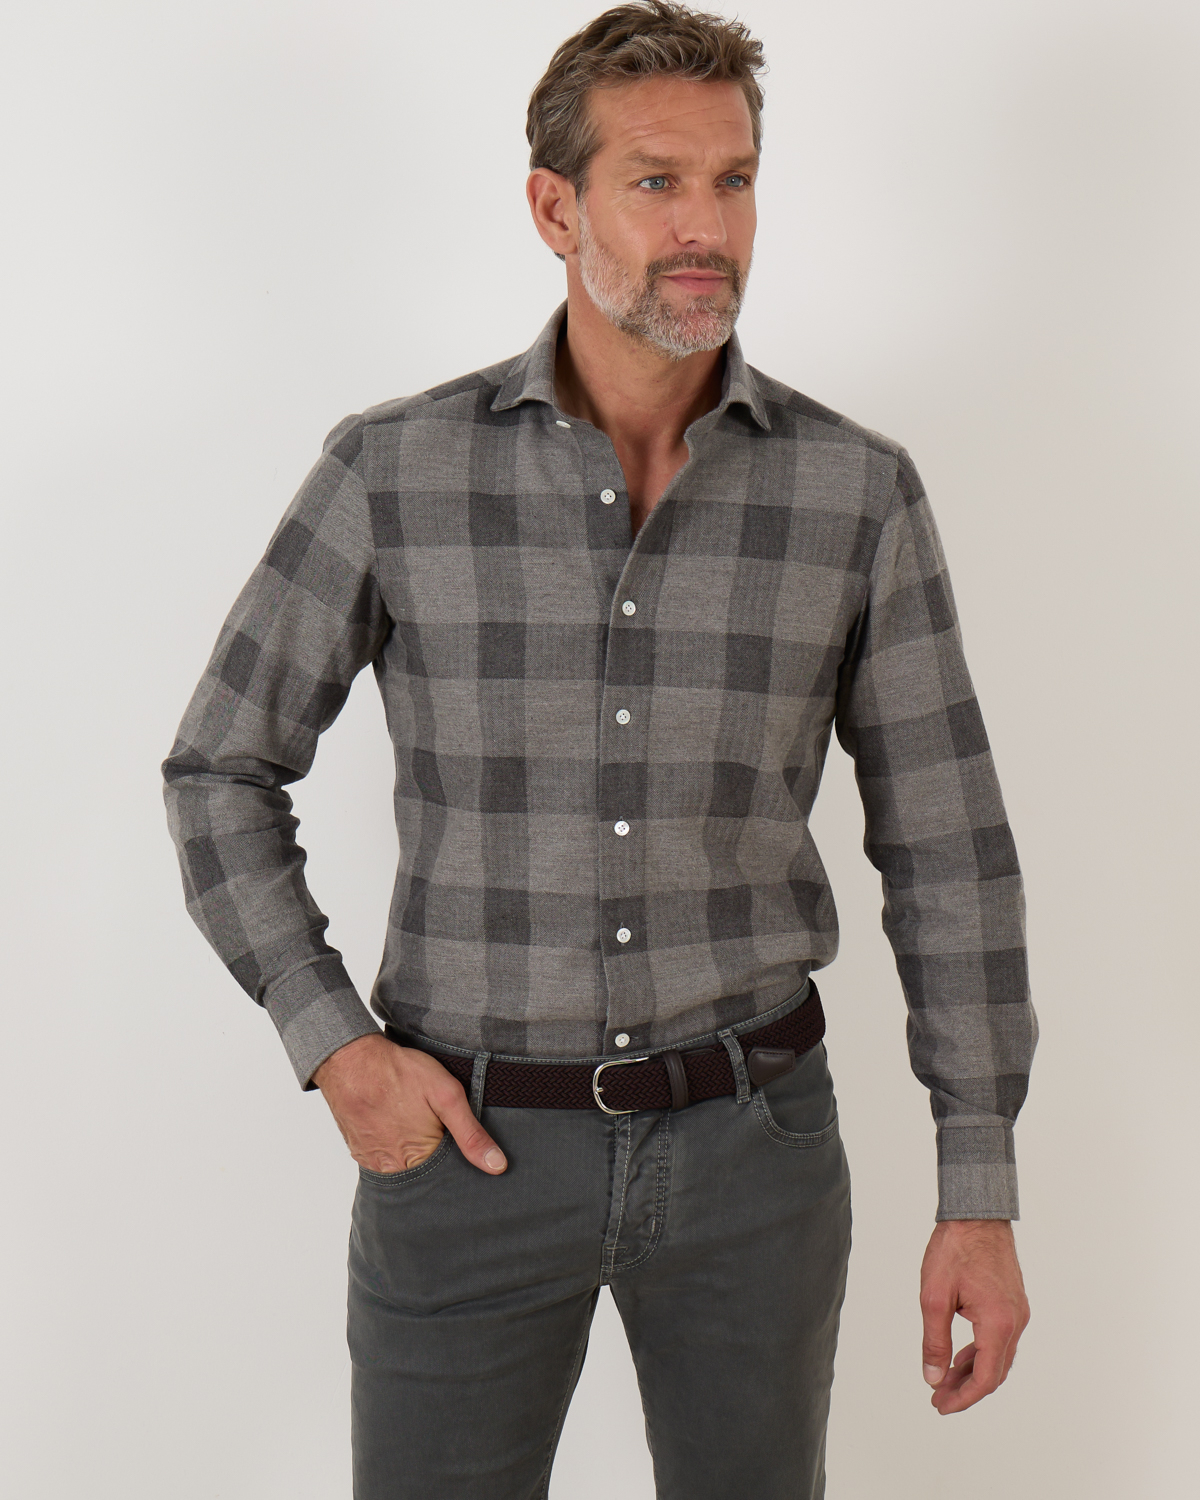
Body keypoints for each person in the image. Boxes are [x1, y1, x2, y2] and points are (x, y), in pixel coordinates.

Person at [163, 4, 1036, 1496]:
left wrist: (980, 1187)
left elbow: (948, 851)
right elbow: (219, 771)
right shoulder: (393, 471)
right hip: (465, 1154)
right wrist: (336, 1046)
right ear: (554, 208)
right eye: (656, 182)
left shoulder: (855, 495)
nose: (706, 227)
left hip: (757, 1154)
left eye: (734, 180)